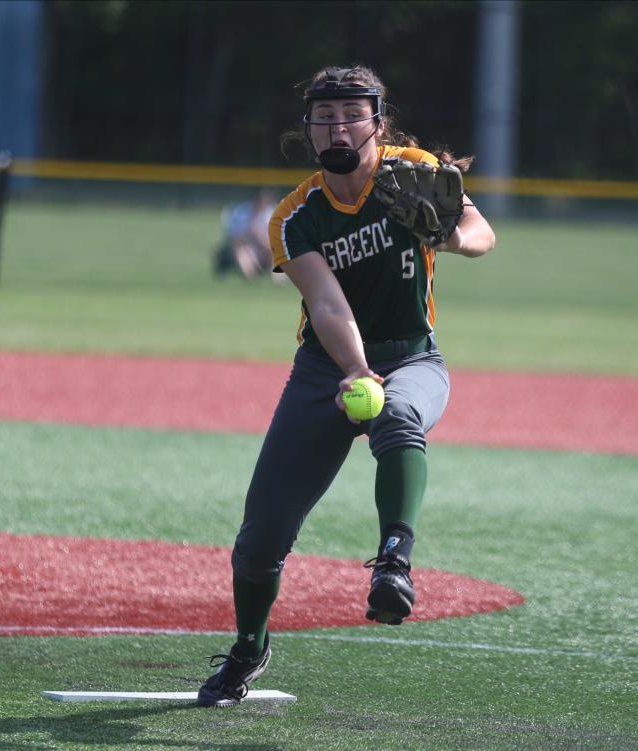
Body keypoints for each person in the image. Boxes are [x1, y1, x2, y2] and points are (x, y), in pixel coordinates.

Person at [197, 65, 496, 707]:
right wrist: (357, 370)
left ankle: (393, 561)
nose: (337, 124)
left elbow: (482, 234)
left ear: (377, 122)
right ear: (307, 128)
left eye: (351, 113)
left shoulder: (412, 171)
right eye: (324, 114)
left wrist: (447, 231)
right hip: (324, 368)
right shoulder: (294, 216)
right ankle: (249, 647)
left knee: (398, 419)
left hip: (415, 357)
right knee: (259, 541)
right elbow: (328, 307)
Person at [211, 190, 282, 281]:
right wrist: (250, 235)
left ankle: (277, 280)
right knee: (241, 250)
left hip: (265, 248)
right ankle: (251, 277)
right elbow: (233, 238)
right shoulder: (241, 212)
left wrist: (261, 239)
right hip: (244, 247)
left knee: (275, 251)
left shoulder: (272, 214)